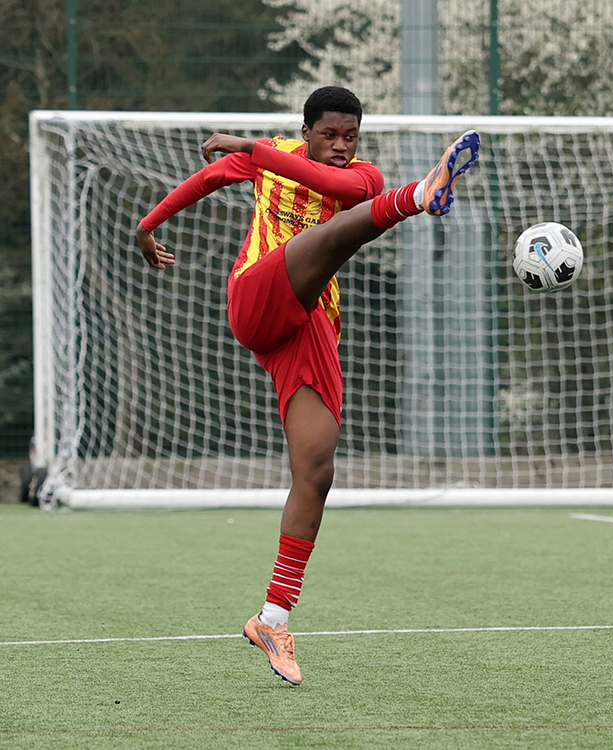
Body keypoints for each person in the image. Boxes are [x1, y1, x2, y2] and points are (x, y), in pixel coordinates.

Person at [136, 86, 480, 686]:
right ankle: (420, 196)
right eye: (330, 135)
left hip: (308, 327)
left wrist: (254, 147)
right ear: (307, 132)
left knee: (317, 472)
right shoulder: (273, 157)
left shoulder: (361, 176)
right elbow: (211, 178)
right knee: (322, 239)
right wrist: (149, 223)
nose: (343, 147)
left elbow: (344, 193)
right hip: (257, 295)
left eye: (351, 137)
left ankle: (272, 617)